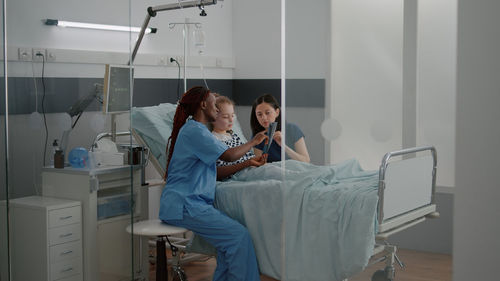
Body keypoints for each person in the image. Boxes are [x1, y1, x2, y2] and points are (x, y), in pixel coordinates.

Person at [158, 86, 267, 281]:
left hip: (192, 204)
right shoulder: (194, 132)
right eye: (213, 104)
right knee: (238, 238)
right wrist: (254, 142)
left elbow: (215, 172)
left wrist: (248, 162)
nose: (217, 108)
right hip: (184, 205)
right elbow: (229, 154)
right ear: (202, 104)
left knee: (227, 246)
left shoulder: (198, 132)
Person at [211, 95, 267, 180]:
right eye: (225, 117)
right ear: (212, 118)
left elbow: (246, 156)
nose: (231, 120)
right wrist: (248, 162)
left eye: (233, 116)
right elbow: (217, 169)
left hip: (252, 169)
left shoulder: (233, 135)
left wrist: (256, 160)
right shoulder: (213, 140)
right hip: (240, 174)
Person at [250, 94, 310, 163]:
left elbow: (305, 161)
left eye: (267, 113)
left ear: (277, 112)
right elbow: (260, 165)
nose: (264, 117)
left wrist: (284, 146)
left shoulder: (292, 129)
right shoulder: (257, 136)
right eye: (259, 114)